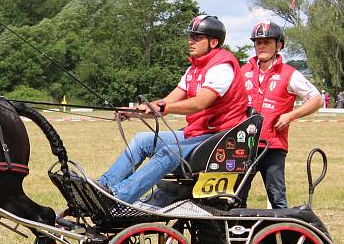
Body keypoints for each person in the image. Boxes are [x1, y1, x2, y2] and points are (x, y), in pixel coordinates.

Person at [98, 15, 247, 204]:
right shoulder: (194, 69)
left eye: (197, 37)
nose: (190, 41)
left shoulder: (222, 67)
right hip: (198, 132)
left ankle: (119, 196)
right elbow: (168, 101)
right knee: (142, 140)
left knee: (170, 151)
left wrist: (165, 107)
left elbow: (200, 103)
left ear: (213, 42)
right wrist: (133, 111)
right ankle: (104, 186)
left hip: (219, 137)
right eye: (190, 36)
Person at [239, 21, 322, 208]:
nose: (261, 46)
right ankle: (238, 236)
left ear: (279, 45)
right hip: (243, 145)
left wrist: (291, 115)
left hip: (273, 146)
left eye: (267, 42)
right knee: (235, 198)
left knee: (277, 199)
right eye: (258, 42)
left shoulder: (289, 73)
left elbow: (317, 99)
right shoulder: (243, 71)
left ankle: (281, 236)